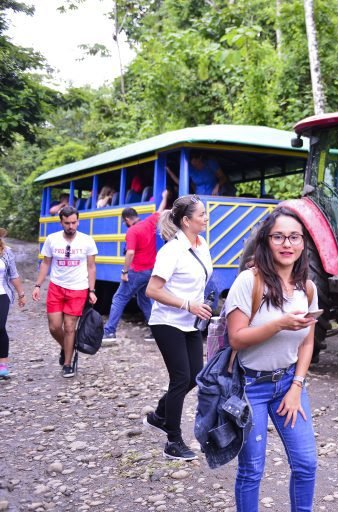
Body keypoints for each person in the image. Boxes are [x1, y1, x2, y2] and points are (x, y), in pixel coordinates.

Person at [225, 207, 318, 511]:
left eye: (294, 237)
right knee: (252, 470)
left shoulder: (307, 287)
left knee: (306, 465)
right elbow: (236, 338)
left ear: (303, 243)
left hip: (289, 383)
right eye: (278, 237)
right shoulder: (248, 282)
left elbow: (307, 342)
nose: (287, 244)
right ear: (266, 241)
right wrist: (278, 324)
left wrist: (296, 386)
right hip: (250, 387)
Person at [143, 194, 213, 461]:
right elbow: (152, 290)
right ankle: (173, 441)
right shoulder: (171, 250)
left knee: (195, 375)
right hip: (167, 321)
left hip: (190, 322)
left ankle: (161, 415)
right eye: (201, 215)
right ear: (186, 221)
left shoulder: (202, 244)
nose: (206, 218)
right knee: (181, 377)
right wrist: (188, 304)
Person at [32, 206, 98, 378]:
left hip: (78, 288)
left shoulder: (87, 241)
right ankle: (67, 346)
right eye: (67, 223)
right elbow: (45, 263)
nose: (71, 226)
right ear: (61, 222)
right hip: (56, 287)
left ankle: (68, 364)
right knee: (54, 327)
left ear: (78, 221)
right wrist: (38, 285)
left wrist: (92, 290)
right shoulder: (52, 239)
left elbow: (91, 267)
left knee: (69, 327)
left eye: (74, 222)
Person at [103, 190, 169, 343]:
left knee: (119, 298)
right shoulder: (150, 222)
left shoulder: (132, 231)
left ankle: (109, 332)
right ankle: (156, 332)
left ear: (127, 219)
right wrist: (164, 197)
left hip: (137, 271)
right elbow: (160, 211)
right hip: (150, 271)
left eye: (124, 222)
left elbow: (130, 252)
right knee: (144, 300)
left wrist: (124, 271)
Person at [0, 228, 26, 378]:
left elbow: (13, 275)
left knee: (0, 326)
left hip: (2, 294)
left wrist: (21, 294)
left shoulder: (6, 252)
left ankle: (2, 364)